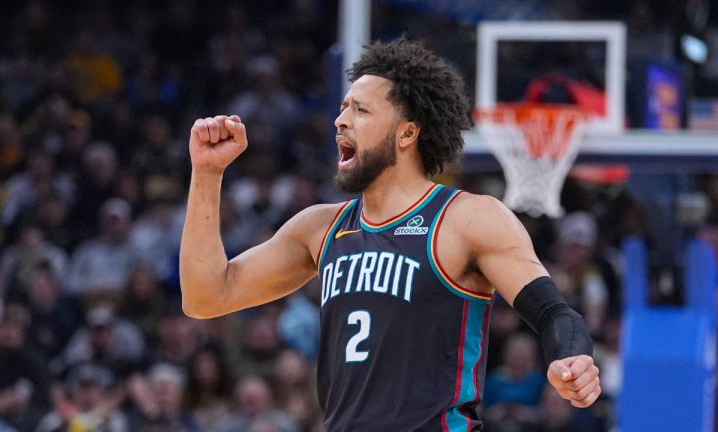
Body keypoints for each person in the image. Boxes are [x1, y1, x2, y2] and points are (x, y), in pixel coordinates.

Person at [180, 37, 601, 431]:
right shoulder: (320, 228)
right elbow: (206, 296)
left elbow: (554, 313)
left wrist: (571, 356)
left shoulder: (466, 219)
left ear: (407, 132)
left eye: (361, 111)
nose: (340, 120)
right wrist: (207, 173)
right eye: (343, 107)